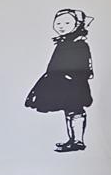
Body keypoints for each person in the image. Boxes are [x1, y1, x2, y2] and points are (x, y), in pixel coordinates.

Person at [26, 8, 93, 153]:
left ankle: (78, 140)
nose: (61, 26)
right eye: (58, 23)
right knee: (69, 110)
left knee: (75, 110)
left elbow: (85, 65)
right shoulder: (63, 43)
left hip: (73, 83)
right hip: (61, 82)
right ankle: (73, 140)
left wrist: (72, 78)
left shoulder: (79, 44)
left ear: (77, 24)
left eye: (67, 23)